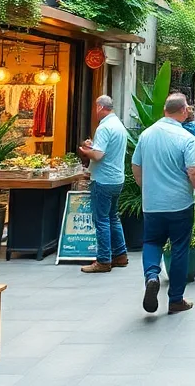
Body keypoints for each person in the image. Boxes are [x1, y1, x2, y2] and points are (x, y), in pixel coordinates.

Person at [131, 93, 195, 315]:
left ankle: (151, 275)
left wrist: (146, 188)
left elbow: (136, 168)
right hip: (179, 204)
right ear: (184, 110)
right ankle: (176, 299)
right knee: (179, 248)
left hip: (152, 204)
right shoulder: (185, 137)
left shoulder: (146, 135)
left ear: (164, 110)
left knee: (151, 242)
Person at [76, 95, 128, 273]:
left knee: (102, 220)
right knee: (113, 217)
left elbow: (98, 155)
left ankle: (104, 260)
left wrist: (85, 150)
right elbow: (105, 151)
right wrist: (93, 148)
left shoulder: (104, 127)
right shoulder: (119, 125)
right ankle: (120, 254)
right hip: (117, 178)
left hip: (103, 179)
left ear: (99, 107)